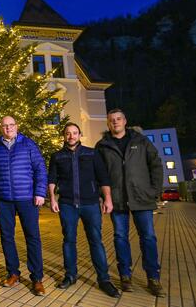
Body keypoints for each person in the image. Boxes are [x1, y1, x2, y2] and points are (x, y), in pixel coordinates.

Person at [96, 109, 165, 297]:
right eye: (111, 120)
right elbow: (98, 174)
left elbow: (156, 164)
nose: (115, 122)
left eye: (118, 119)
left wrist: (154, 191)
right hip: (117, 200)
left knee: (148, 238)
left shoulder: (141, 141)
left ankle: (153, 277)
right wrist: (102, 197)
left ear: (125, 121)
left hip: (141, 198)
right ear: (108, 124)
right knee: (120, 238)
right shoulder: (102, 146)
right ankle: (125, 275)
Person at [48, 123, 120, 298]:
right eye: (68, 134)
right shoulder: (57, 156)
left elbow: (103, 177)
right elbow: (52, 179)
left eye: (74, 133)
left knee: (96, 241)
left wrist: (108, 199)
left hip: (91, 204)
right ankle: (70, 275)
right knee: (68, 241)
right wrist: (52, 198)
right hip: (67, 204)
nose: (71, 136)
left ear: (80, 135)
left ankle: (104, 279)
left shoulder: (92, 153)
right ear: (64, 136)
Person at [0, 115, 47, 295]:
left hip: (27, 198)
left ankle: (36, 278)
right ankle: (13, 273)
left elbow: (40, 169)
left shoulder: (28, 145)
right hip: (4, 199)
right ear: (0, 128)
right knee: (7, 237)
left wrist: (40, 192)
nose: (8, 128)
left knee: (32, 237)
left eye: (11, 125)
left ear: (16, 126)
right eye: (5, 126)